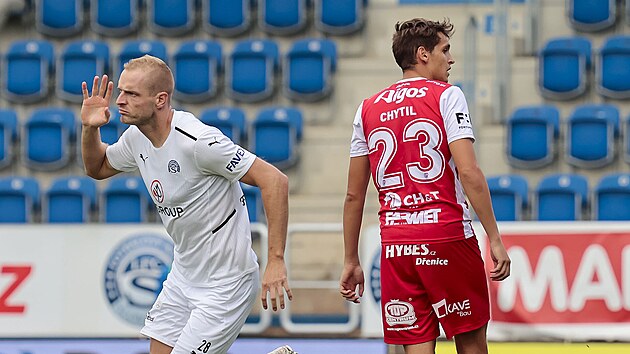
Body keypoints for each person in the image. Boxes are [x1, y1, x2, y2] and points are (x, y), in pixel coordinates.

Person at [81, 55, 296, 354]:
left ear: (160, 100)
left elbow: (275, 180)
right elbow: (98, 167)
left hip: (227, 285)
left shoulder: (199, 142)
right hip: (183, 277)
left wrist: (275, 259)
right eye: (121, 92)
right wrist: (90, 129)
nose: (120, 101)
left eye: (131, 94)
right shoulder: (135, 139)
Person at [339, 18, 511, 354]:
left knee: (416, 348)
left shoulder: (367, 108)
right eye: (445, 50)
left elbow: (353, 194)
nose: (451, 59)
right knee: (472, 343)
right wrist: (494, 237)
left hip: (397, 246)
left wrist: (351, 259)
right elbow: (469, 172)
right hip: (447, 236)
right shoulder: (447, 96)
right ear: (423, 54)